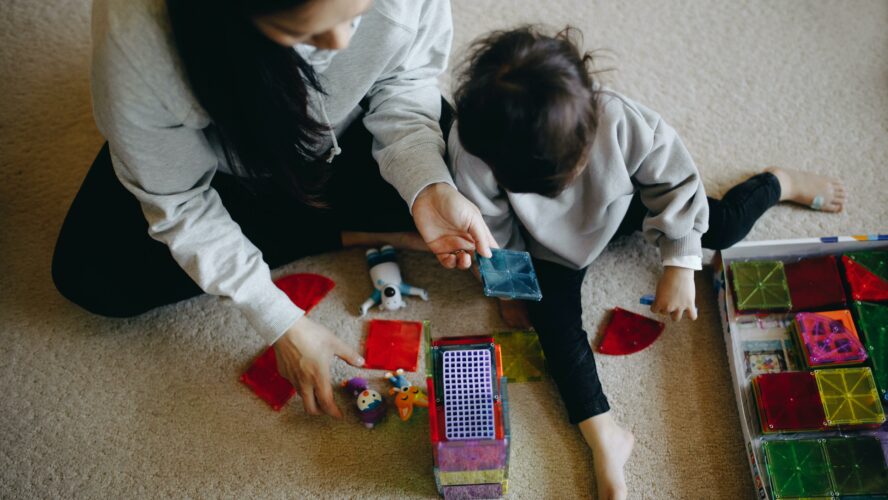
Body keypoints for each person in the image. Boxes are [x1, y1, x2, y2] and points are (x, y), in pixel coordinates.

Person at [448, 26, 846, 500]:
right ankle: (605, 438)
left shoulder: (619, 118)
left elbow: (677, 185)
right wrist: (511, 288)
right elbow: (491, 230)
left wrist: (681, 262)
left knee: (721, 228)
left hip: (626, 200)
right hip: (548, 244)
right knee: (552, 326)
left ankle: (776, 182)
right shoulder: (475, 149)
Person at [51, 0, 495, 420]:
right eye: (303, 31)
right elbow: (179, 200)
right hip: (228, 165)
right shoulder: (137, 44)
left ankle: (332, 226)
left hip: (345, 134)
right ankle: (344, 230)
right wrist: (279, 321)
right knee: (91, 273)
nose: (341, 43)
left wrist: (427, 186)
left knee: (484, 172)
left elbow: (406, 80)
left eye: (356, 14)